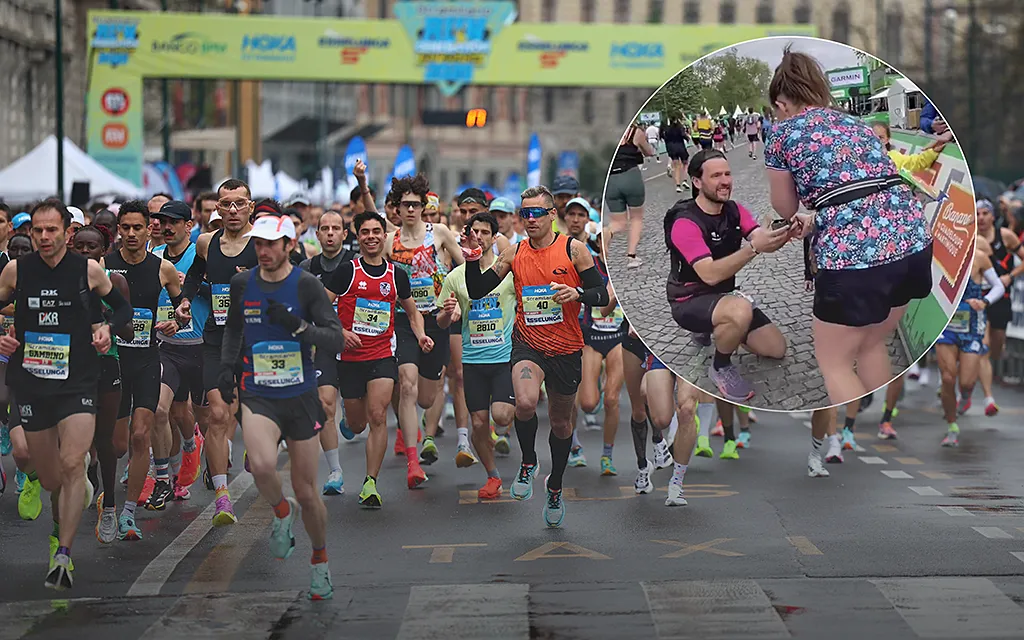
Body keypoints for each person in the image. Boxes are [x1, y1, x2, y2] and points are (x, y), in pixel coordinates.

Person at [765, 46, 933, 406]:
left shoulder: (781, 133)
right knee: (871, 342)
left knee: (835, 361)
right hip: (913, 240)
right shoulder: (855, 123)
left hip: (854, 258)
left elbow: (785, 205)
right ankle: (883, 429)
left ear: (781, 104)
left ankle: (858, 445)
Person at [0, 198, 133, 589]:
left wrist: (108, 328)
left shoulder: (89, 271)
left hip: (77, 381)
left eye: (51, 230)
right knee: (47, 473)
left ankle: (63, 553)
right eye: (37, 230)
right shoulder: (15, 271)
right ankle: (59, 497)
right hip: (31, 380)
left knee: (74, 462)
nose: (43, 237)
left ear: (66, 231)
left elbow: (122, 310)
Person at [463, 185, 609, 528]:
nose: (528, 220)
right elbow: (477, 289)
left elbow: (601, 294)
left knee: (560, 423)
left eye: (535, 214)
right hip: (528, 345)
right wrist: (472, 259)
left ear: (551, 216)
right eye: (523, 214)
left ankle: (555, 485)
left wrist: (577, 293)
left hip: (567, 348)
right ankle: (528, 462)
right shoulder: (514, 253)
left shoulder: (575, 250)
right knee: (525, 403)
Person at [219, 214, 341, 600]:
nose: (264, 251)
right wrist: (226, 366)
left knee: (307, 492)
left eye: (272, 244)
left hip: (301, 395)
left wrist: (298, 327)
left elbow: (335, 339)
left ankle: (319, 559)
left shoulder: (306, 285)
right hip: (258, 392)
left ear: (290, 245)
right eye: (258, 244)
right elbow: (234, 328)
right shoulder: (243, 283)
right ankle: (280, 511)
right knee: (262, 464)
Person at [666, 149, 790, 402]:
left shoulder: (733, 210)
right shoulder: (685, 222)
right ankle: (721, 366)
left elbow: (761, 240)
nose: (725, 181)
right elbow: (710, 275)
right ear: (697, 182)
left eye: (727, 174)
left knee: (775, 349)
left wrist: (789, 230)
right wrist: (754, 248)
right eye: (716, 176)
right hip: (688, 299)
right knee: (740, 310)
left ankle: (725, 327)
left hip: (722, 296)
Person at [325, 211, 430, 508]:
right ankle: (349, 416)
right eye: (365, 232)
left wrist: (420, 335)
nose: (371, 237)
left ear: (385, 236)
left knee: (379, 415)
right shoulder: (347, 271)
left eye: (376, 232)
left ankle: (370, 482)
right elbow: (320, 305)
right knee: (358, 424)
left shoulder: (396, 275)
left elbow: (412, 312)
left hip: (382, 355)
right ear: (357, 237)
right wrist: (341, 331)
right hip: (348, 358)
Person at [177, 178, 259, 525]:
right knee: (217, 415)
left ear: (250, 206)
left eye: (240, 203)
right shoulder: (206, 243)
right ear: (217, 209)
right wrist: (182, 301)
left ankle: (256, 448)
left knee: (256, 417)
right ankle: (222, 496)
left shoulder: (264, 243)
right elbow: (194, 277)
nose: (233, 211)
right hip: (217, 340)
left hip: (256, 342)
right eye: (226, 205)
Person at [104, 200, 185, 535]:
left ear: (148, 228)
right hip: (112, 362)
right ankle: (107, 501)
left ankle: (126, 513)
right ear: (118, 229)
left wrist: (178, 320)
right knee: (116, 444)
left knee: (141, 435)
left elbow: (182, 306)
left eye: (139, 227)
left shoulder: (161, 267)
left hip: (147, 360)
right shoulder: (104, 265)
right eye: (126, 228)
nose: (133, 234)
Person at [385, 175, 463, 487]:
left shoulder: (439, 232)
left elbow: (463, 269)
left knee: (428, 399)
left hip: (437, 318)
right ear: (397, 209)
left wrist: (457, 304)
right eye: (405, 205)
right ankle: (413, 463)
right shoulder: (390, 240)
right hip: (404, 320)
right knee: (406, 386)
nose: (412, 210)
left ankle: (419, 423)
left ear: (424, 206)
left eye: (417, 205)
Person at [436, 212, 515, 498]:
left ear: (495, 238)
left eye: (485, 232)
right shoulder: (456, 276)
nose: (479, 237)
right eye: (474, 232)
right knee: (479, 423)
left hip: (504, 356)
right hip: (473, 360)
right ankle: (493, 476)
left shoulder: (507, 270)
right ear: (467, 236)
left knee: (502, 416)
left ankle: (523, 442)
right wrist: (447, 315)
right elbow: (441, 321)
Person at [69, 224, 134, 543]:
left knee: (108, 440)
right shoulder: (61, 280)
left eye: (90, 247)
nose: (84, 252)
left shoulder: (115, 281)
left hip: (107, 365)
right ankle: (84, 468)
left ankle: (109, 505)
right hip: (69, 368)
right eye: (78, 246)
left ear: (103, 251)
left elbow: (130, 330)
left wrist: (106, 325)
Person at [150, 201, 208, 503]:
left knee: (195, 415)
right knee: (161, 411)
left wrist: (197, 286)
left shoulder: (200, 257)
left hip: (200, 348)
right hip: (166, 349)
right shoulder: (154, 258)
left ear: (189, 226)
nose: (167, 227)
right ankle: (165, 478)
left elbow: (225, 296)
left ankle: (193, 445)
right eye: (162, 221)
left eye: (174, 221)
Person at [564, 200, 624, 475]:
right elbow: (601, 305)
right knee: (587, 402)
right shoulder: (586, 257)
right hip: (590, 334)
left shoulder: (624, 263)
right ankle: (574, 443)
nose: (605, 244)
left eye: (608, 239)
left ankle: (607, 456)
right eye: (601, 239)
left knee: (612, 399)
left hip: (619, 337)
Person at [933, 243, 1004, 447]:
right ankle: (952, 426)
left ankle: (965, 396)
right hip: (945, 325)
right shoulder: (940, 253)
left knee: (966, 382)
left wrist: (985, 301)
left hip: (972, 326)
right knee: (947, 378)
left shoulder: (980, 257)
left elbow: (998, 286)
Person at [300, 208, 350, 493]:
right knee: (325, 404)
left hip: (357, 345)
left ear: (344, 233)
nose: (330, 233)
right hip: (323, 346)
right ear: (317, 234)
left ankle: (353, 416)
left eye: (336, 228)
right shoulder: (307, 269)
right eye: (325, 229)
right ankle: (335, 472)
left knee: (358, 418)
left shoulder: (355, 265)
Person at [976, 199, 1024, 386]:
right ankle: (972, 387)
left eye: (985, 213)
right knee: (983, 347)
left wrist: (1010, 277)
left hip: (1001, 297)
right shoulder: (969, 237)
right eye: (978, 214)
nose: (981, 218)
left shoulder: (1005, 236)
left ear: (993, 216)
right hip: (978, 297)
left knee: (995, 348)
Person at [606, 122, 656, 269]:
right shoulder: (634, 132)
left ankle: (606, 234)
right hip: (630, 176)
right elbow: (649, 152)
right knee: (636, 218)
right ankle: (631, 256)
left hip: (610, 180)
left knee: (617, 223)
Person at [662, 116, 690, 194]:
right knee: (685, 163)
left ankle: (678, 185)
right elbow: (684, 136)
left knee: (676, 167)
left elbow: (664, 137)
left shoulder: (666, 130)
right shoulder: (679, 127)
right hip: (680, 147)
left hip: (671, 149)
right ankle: (684, 180)